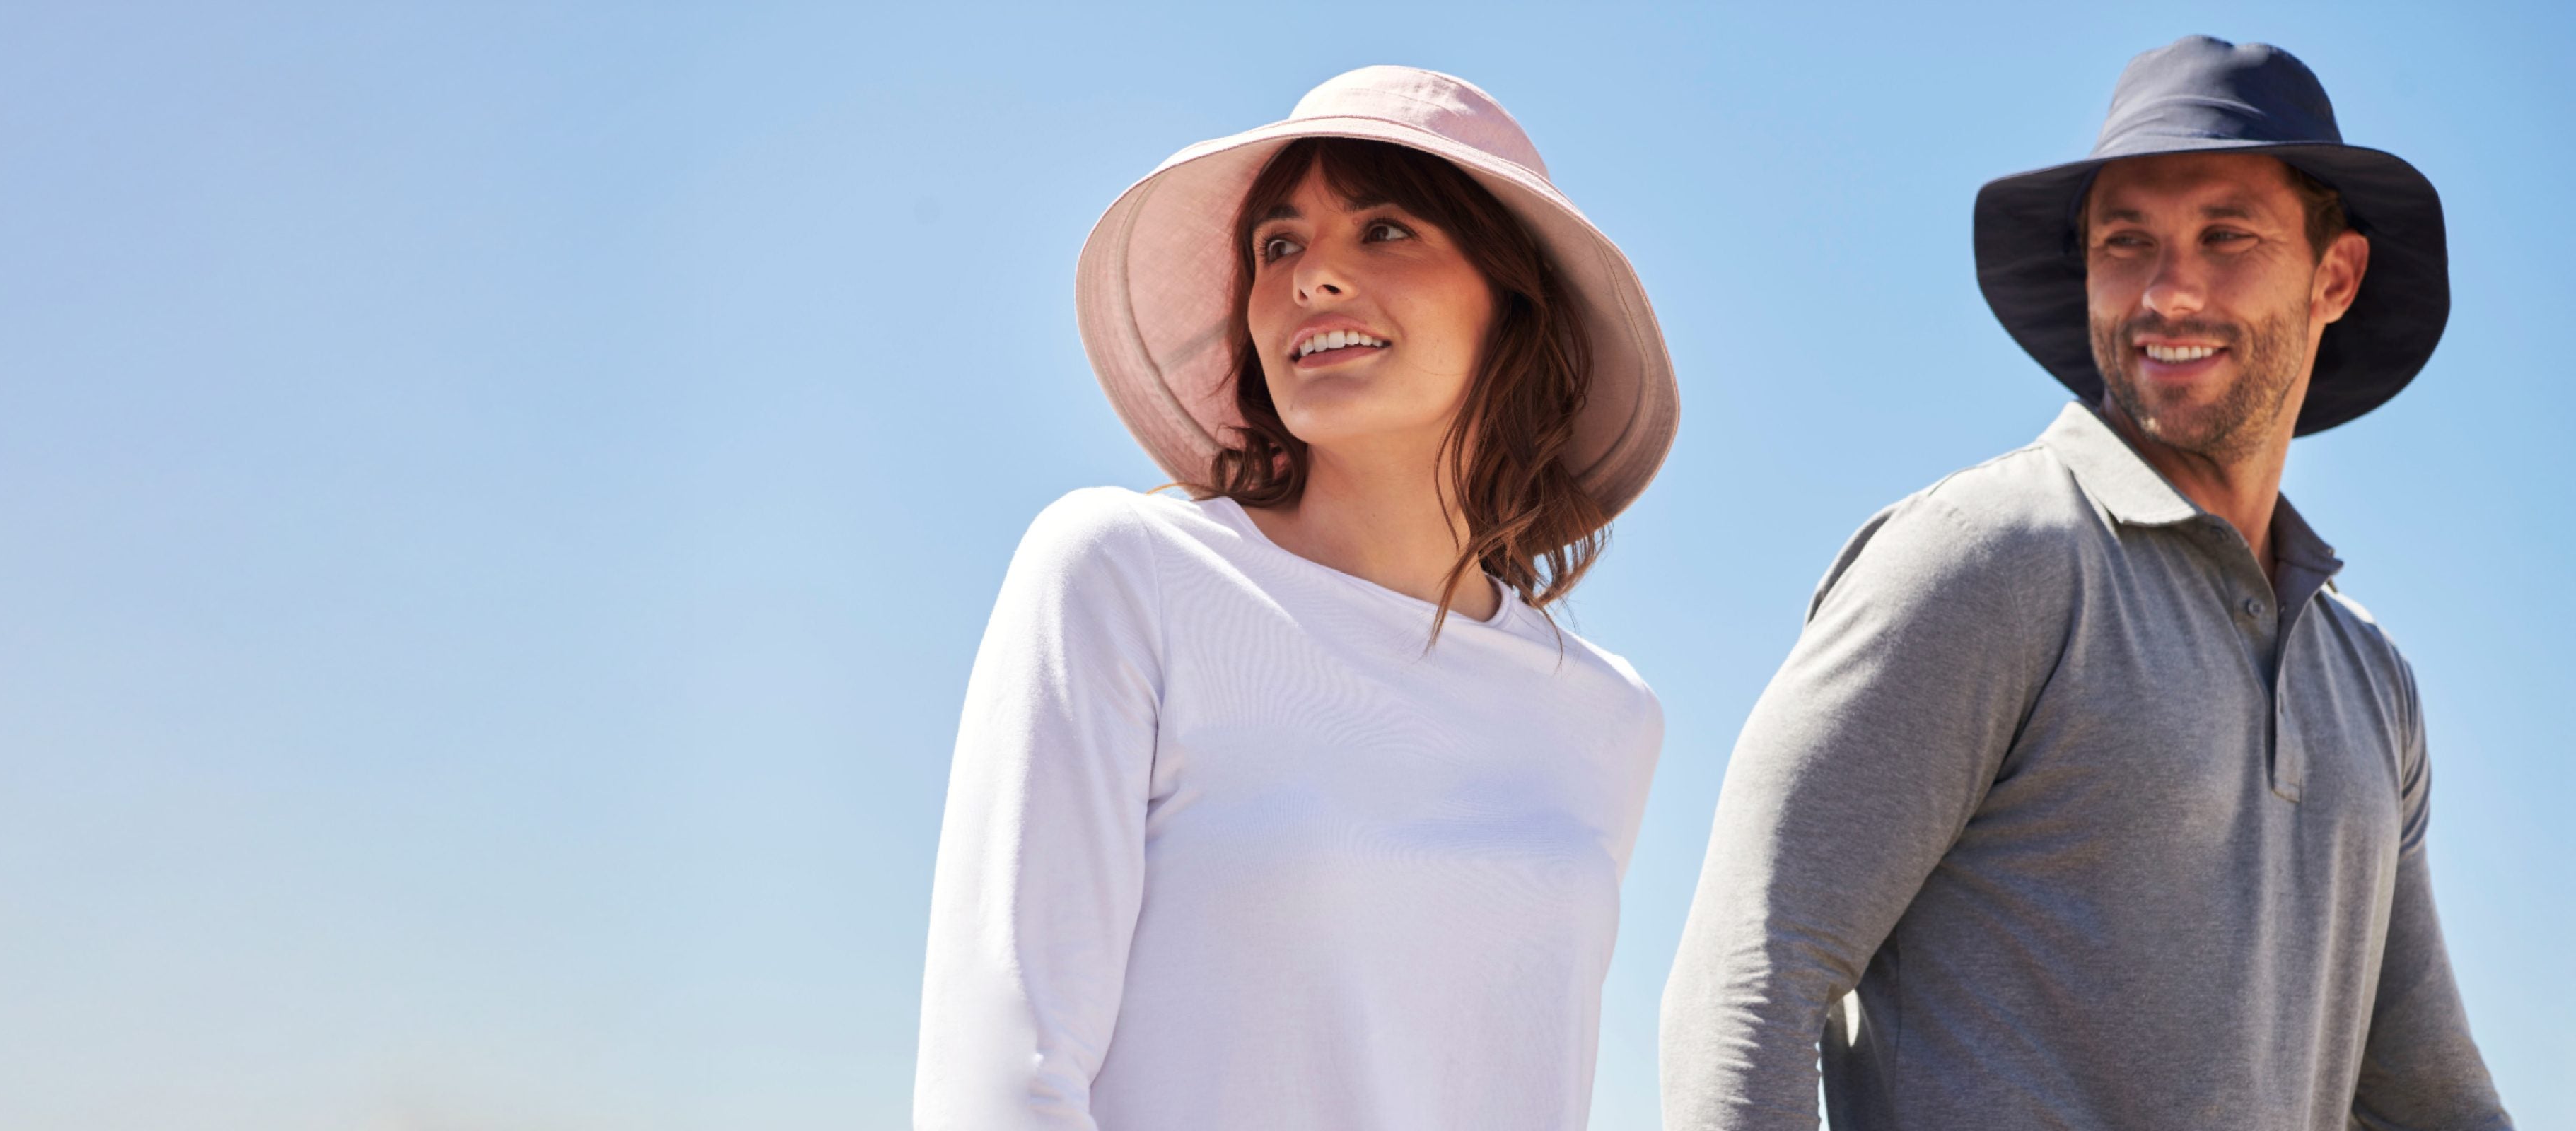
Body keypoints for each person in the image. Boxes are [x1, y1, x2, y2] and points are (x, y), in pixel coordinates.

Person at [1658, 37, 2511, 1130]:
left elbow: (2425, 1095)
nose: (2169, 289)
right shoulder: (1984, 556)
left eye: (2226, 236)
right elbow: (1750, 982)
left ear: (2333, 277)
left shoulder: (2369, 680)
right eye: (2126, 243)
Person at [916, 66, 1682, 1130]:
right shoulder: (1126, 574)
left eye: (1384, 231)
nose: (1310, 279)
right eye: (1278, 246)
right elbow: (1002, 1071)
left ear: (1511, 303)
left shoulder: (1608, 715)